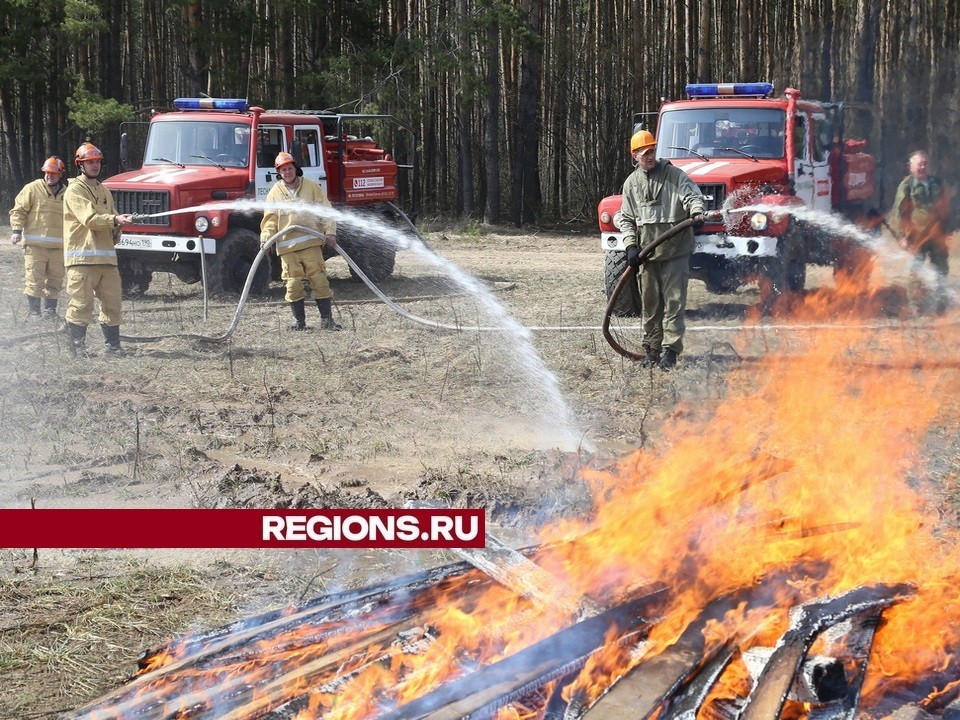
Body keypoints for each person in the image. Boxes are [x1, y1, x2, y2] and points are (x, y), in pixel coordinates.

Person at [618, 129, 705, 371]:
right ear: (634, 155)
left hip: (675, 251)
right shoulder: (631, 184)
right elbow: (626, 219)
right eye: (644, 152)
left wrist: (696, 212)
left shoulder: (675, 176)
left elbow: (691, 196)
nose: (650, 156)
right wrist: (630, 246)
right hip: (648, 254)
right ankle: (651, 350)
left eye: (652, 151)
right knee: (650, 304)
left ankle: (671, 351)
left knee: (674, 302)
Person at [62, 142, 134, 356]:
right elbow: (90, 219)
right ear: (80, 165)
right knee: (81, 306)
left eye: (97, 162)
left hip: (107, 261)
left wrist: (118, 225)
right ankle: (77, 347)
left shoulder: (104, 192)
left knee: (113, 304)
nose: (95, 165)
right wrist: (114, 219)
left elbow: (111, 227)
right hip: (81, 260)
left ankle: (113, 347)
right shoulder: (75, 190)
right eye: (89, 162)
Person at [260, 151, 341, 331]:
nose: (287, 172)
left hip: (311, 243)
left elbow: (325, 210)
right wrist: (266, 239)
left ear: (295, 168)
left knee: (319, 280)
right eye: (283, 170)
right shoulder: (274, 193)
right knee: (293, 284)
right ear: (278, 173)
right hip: (287, 248)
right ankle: (299, 323)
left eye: (289, 168)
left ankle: (327, 320)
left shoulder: (311, 187)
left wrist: (330, 232)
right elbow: (270, 220)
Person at [892, 150, 953, 315]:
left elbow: (945, 206)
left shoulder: (936, 183)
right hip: (916, 236)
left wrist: (947, 229)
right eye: (919, 164)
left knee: (941, 269)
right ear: (911, 166)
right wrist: (901, 237)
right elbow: (898, 212)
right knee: (916, 270)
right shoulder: (907, 185)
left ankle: (941, 306)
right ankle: (915, 307)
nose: (923, 167)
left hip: (936, 234)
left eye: (925, 163)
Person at [9, 156, 68, 319]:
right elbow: (19, 211)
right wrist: (16, 231)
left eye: (54, 173)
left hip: (58, 248)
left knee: (56, 280)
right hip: (35, 246)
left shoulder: (67, 194)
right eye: (47, 173)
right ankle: (34, 312)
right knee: (35, 279)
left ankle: (50, 312)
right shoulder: (32, 188)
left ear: (61, 174)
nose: (49, 176)